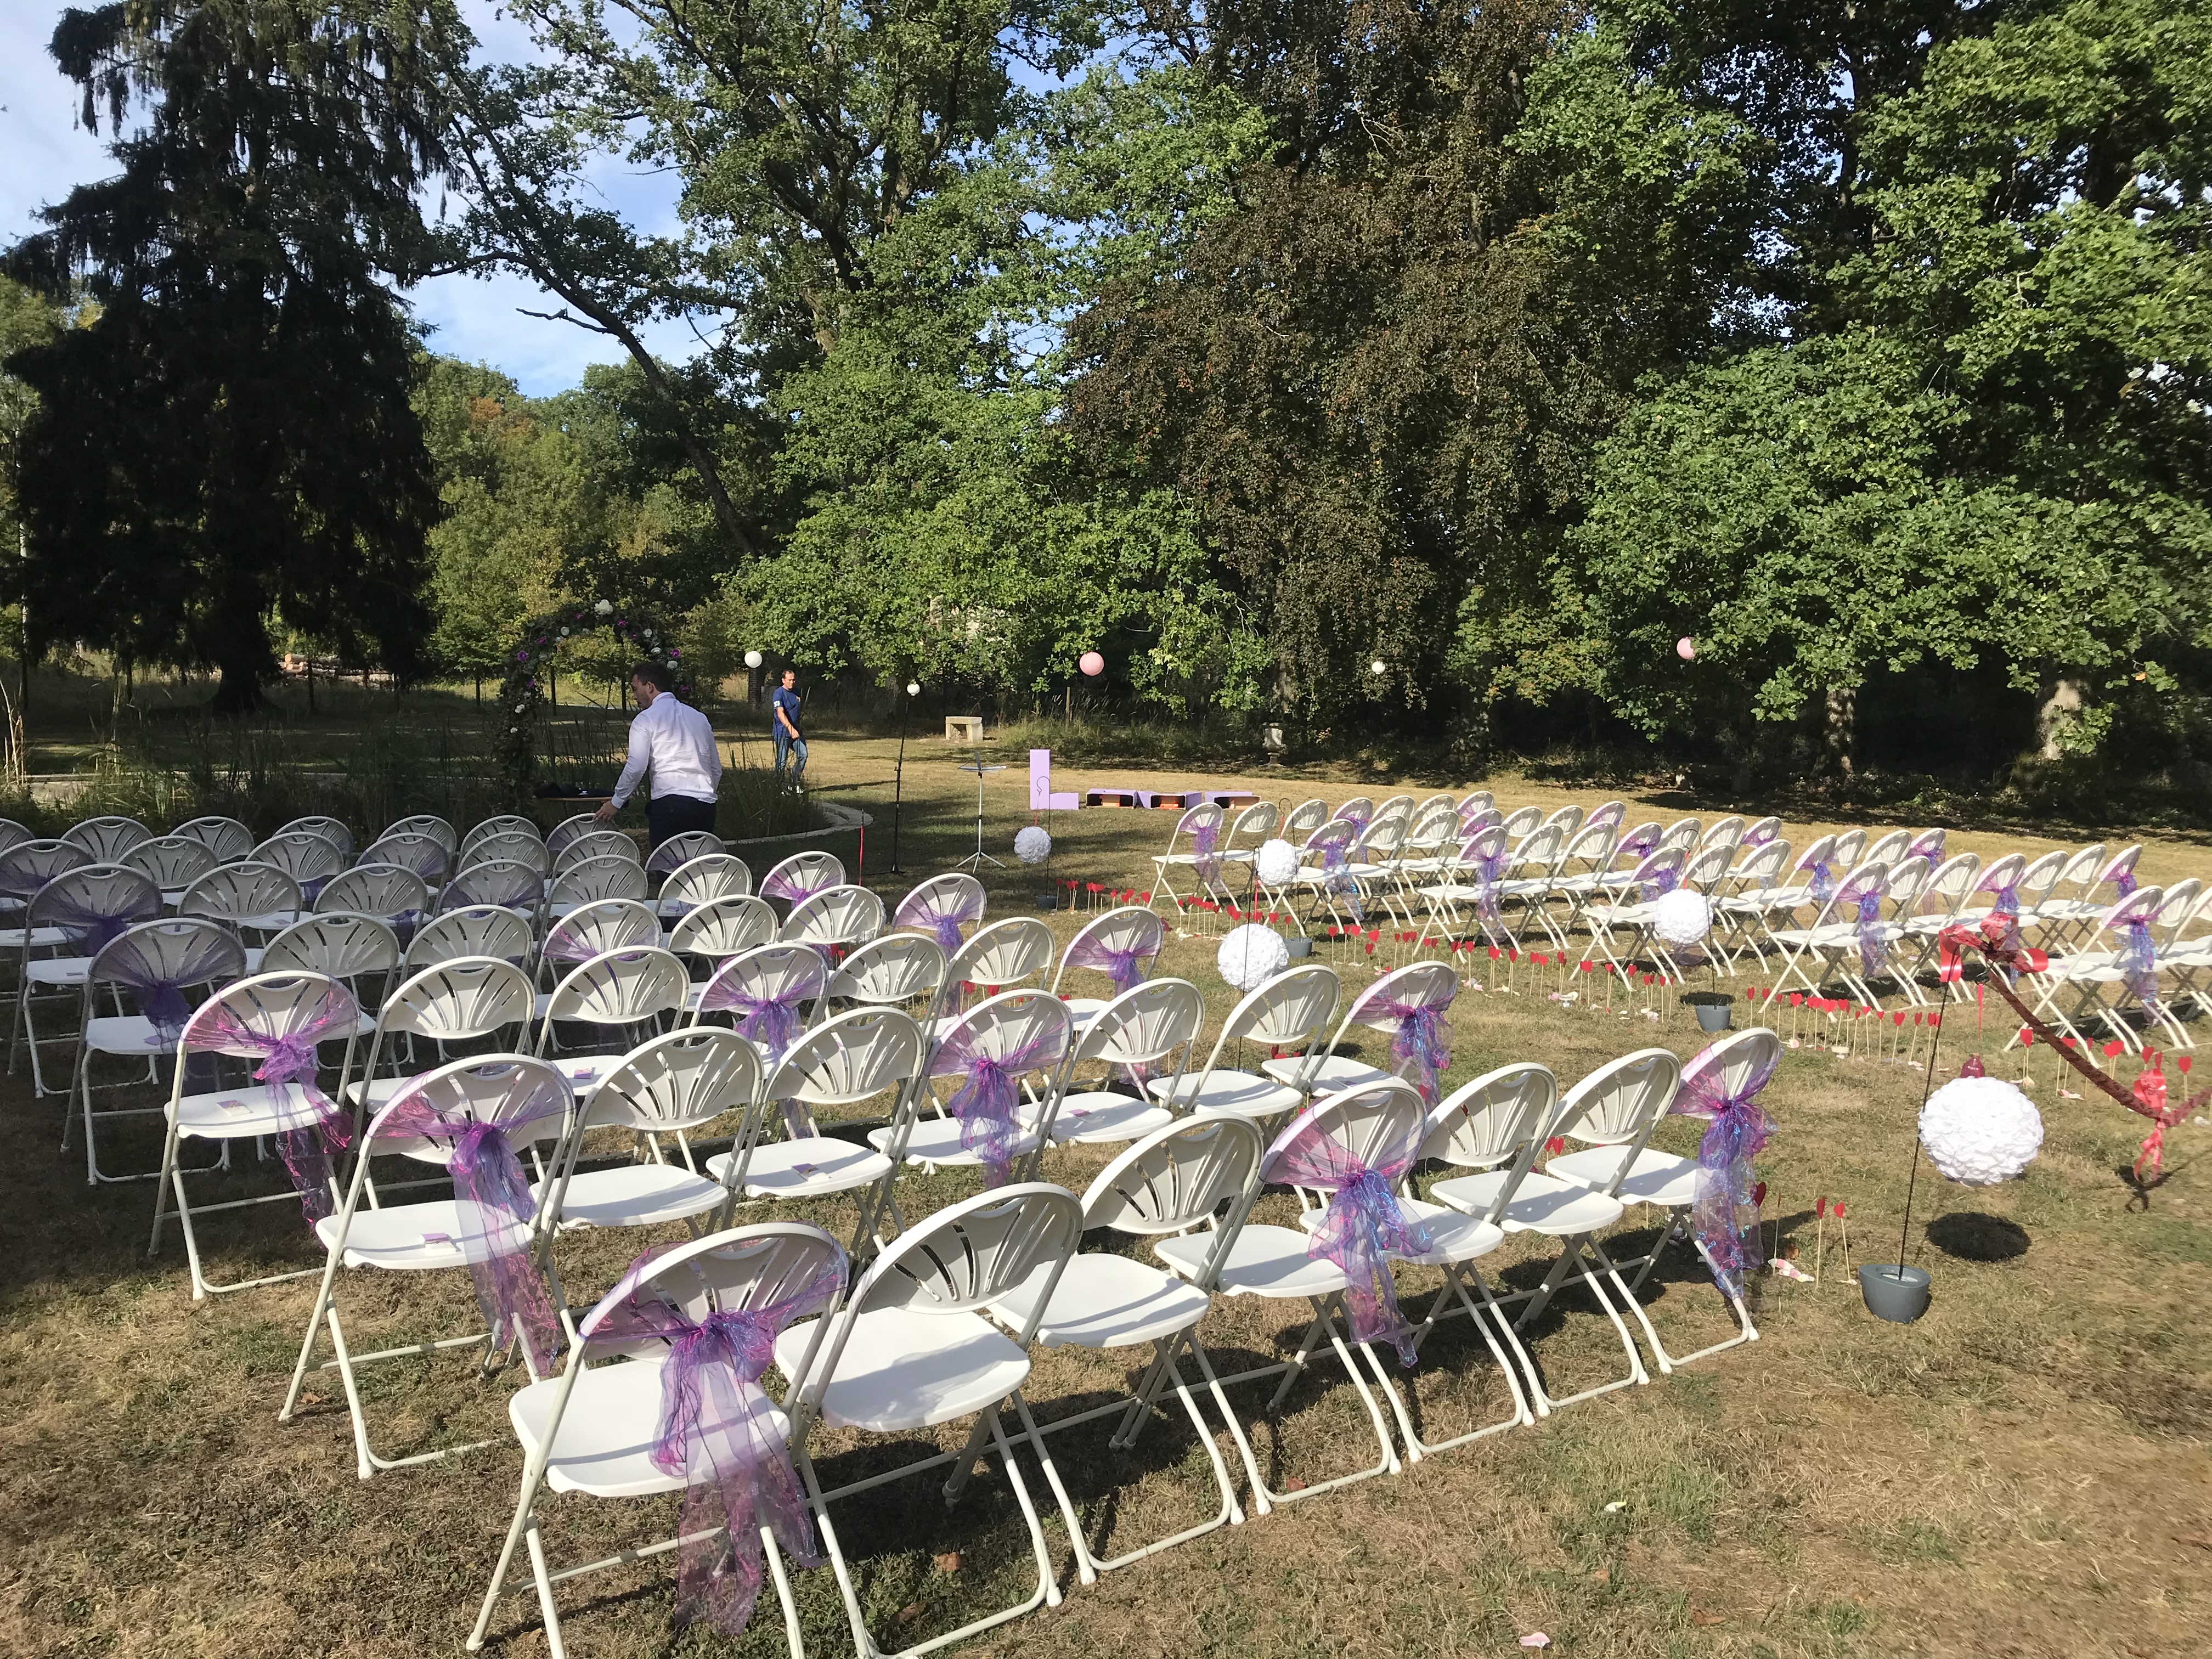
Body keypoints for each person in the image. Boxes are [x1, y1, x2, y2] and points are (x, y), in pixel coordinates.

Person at [597, 661, 723, 850]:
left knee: (667, 865)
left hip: (669, 805)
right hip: (705, 807)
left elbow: (636, 767)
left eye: (635, 689)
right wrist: (705, 792)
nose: (634, 696)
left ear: (650, 687)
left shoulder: (645, 719)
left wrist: (616, 802)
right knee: (697, 865)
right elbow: (715, 769)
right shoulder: (699, 717)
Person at [771, 667, 808, 792]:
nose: (792, 682)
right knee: (782, 761)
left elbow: (799, 707)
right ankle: (780, 786)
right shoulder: (778, 694)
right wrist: (790, 729)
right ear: (783, 680)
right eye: (789, 680)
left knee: (803, 755)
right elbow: (780, 713)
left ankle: (794, 781)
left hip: (797, 731)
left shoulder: (797, 692)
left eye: (793, 680)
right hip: (783, 732)